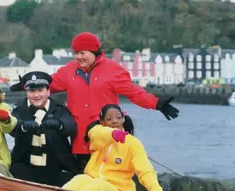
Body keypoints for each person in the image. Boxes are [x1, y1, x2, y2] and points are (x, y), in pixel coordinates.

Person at [50, 32, 180, 174]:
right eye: (76, 53)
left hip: (107, 139)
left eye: (82, 53)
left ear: (94, 51)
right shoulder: (68, 70)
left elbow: (134, 92)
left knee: (108, 179)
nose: (78, 57)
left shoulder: (112, 70)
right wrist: (25, 85)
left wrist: (157, 104)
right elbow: (47, 84)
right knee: (82, 180)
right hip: (80, 140)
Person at [62, 104, 179, 191]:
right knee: (79, 179)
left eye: (118, 118)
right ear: (102, 122)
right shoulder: (97, 133)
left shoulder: (133, 143)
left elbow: (145, 171)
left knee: (97, 185)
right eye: (109, 119)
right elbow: (97, 133)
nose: (114, 121)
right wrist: (113, 134)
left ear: (123, 119)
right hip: (94, 180)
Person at [8, 71, 77, 187]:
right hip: (26, 165)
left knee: (68, 180)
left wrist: (59, 125)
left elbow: (71, 125)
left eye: (40, 90)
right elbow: (11, 125)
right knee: (16, 174)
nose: (36, 95)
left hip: (56, 165)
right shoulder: (20, 107)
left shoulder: (58, 108)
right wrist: (23, 126)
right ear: (27, 92)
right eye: (32, 91)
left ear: (48, 91)